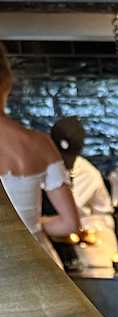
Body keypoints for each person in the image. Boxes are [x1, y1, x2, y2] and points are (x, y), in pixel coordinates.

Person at [0, 42, 78, 263]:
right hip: (40, 265)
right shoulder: (41, 143)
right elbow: (70, 224)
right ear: (8, 82)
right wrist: (33, 224)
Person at [51, 115, 118, 269]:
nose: (67, 162)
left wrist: (88, 230)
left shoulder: (89, 174)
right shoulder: (39, 170)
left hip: (88, 252)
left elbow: (103, 215)